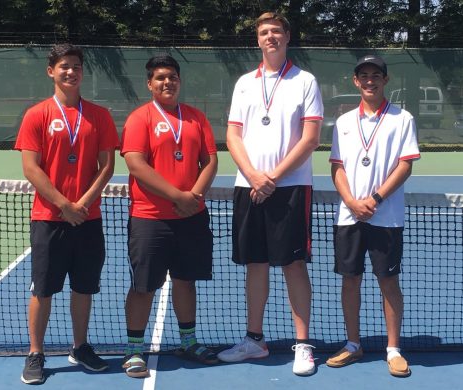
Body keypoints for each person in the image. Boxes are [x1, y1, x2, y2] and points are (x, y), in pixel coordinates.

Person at [217, 12, 323, 376]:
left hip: (290, 189)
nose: (270, 37)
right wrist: (252, 175)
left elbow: (310, 139)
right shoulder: (245, 83)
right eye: (264, 32)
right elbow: (232, 135)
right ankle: (254, 341)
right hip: (249, 188)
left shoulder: (305, 81)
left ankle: (303, 345)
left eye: (276, 31)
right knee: (255, 264)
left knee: (293, 265)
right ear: (258, 40)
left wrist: (272, 178)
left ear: (288, 36)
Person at [15, 43, 120, 385]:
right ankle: (35, 353)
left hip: (87, 219)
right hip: (48, 218)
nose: (71, 71)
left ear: (82, 71)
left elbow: (106, 167)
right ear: (51, 71)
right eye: (64, 66)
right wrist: (63, 204)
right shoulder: (37, 115)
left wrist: (83, 204)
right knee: (42, 290)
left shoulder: (99, 116)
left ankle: (80, 346)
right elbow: (31, 168)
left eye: (76, 66)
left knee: (84, 288)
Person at [120, 55, 218, 378]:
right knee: (144, 286)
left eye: (173, 77)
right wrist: (178, 197)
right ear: (149, 83)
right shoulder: (139, 119)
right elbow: (136, 164)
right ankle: (135, 350)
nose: (167, 82)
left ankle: (188, 342)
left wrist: (195, 197)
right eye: (160, 77)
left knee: (185, 281)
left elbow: (211, 161)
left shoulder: (195, 118)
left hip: (191, 217)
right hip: (150, 218)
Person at [326, 54, 420, 377]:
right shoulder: (342, 122)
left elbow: (405, 165)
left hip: (386, 217)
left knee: (388, 281)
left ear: (385, 79)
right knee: (350, 280)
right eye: (363, 75)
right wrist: (352, 201)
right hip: (349, 217)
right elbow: (336, 168)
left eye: (375, 75)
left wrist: (375, 198)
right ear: (356, 81)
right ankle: (353, 344)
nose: (369, 80)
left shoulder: (402, 119)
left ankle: (393, 349)